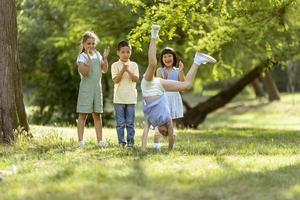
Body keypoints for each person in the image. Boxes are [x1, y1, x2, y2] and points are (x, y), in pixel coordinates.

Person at [141, 25, 216, 151]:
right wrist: (170, 150)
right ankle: (197, 61)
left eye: (163, 131)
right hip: (160, 86)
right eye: (166, 131)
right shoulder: (168, 119)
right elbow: (170, 135)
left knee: (152, 64)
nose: (163, 130)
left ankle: (154, 36)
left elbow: (144, 134)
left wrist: (143, 149)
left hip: (148, 85)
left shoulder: (151, 120)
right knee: (186, 85)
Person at [76, 31, 110, 147]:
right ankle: (80, 141)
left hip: (97, 89)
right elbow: (84, 73)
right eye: (88, 43)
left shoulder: (98, 54)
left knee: (97, 115)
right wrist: (88, 63)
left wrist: (105, 58)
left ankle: (100, 141)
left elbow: (104, 70)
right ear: (84, 44)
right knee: (83, 115)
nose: (91, 46)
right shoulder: (82, 56)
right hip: (86, 89)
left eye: (93, 43)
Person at [153, 47, 185, 149]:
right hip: (164, 98)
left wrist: (181, 71)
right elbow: (159, 86)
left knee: (173, 124)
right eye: (165, 56)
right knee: (161, 123)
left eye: (169, 56)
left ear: (174, 58)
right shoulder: (159, 70)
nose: (167, 58)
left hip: (174, 98)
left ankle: (172, 144)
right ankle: (156, 144)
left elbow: (183, 86)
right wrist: (165, 79)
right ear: (162, 59)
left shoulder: (177, 71)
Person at [111, 41, 139, 147]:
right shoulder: (114, 65)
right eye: (123, 52)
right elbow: (116, 80)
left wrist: (128, 71)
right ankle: (121, 142)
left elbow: (136, 79)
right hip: (118, 98)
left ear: (130, 52)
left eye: (128, 52)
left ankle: (130, 142)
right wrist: (123, 70)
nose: (125, 54)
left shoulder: (134, 65)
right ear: (118, 52)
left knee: (130, 123)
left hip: (131, 98)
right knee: (120, 123)